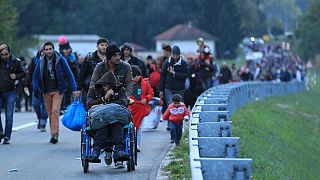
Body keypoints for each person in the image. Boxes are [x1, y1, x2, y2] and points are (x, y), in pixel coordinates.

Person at [89, 44, 133, 168]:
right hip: (102, 105)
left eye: (120, 55)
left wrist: (126, 98)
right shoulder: (99, 67)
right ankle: (100, 150)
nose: (119, 57)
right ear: (109, 57)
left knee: (116, 120)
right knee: (104, 120)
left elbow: (129, 85)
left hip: (119, 102)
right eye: (115, 55)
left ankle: (118, 155)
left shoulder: (126, 67)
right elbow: (93, 85)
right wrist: (101, 98)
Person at [33, 42, 81, 144]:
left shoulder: (60, 59)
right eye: (46, 49)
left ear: (53, 49)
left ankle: (54, 134)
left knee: (55, 111)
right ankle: (53, 133)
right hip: (46, 90)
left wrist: (74, 88)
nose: (49, 51)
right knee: (50, 113)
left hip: (58, 90)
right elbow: (35, 75)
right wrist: (35, 87)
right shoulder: (41, 61)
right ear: (44, 51)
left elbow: (69, 74)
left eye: (50, 49)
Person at [86, 71, 129, 165]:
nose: (107, 88)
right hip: (100, 122)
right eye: (105, 86)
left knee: (115, 122)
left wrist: (107, 104)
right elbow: (89, 103)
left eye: (109, 86)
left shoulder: (120, 90)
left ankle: (120, 149)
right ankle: (96, 151)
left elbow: (124, 103)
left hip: (116, 120)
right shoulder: (93, 90)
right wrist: (103, 99)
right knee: (103, 122)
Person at [0, 44, 26, 144]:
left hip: (10, 91)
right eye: (2, 54)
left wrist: (16, 76)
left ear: (10, 53)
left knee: (9, 115)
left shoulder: (15, 61)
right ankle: (0, 132)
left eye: (6, 54)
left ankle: (7, 136)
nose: (4, 56)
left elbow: (23, 73)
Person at [159, 45, 188, 132]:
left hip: (179, 88)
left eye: (177, 55)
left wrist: (174, 73)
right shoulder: (167, 62)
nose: (175, 57)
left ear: (179, 55)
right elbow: (162, 76)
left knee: (179, 107)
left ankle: (179, 125)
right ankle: (170, 124)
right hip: (168, 88)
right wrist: (161, 89)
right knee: (170, 105)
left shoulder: (183, 63)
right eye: (173, 55)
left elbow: (185, 75)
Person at [128, 65, 154, 152]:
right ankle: (129, 143)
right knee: (129, 127)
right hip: (130, 109)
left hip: (141, 109)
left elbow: (151, 93)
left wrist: (146, 99)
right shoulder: (127, 84)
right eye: (133, 76)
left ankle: (137, 145)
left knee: (138, 128)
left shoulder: (145, 83)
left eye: (137, 75)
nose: (136, 78)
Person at [78, 38, 109, 109]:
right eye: (102, 45)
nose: (104, 47)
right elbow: (82, 74)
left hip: (105, 90)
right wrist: (79, 89)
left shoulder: (110, 58)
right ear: (97, 46)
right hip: (89, 89)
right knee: (89, 110)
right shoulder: (90, 58)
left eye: (105, 45)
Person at [25, 49, 49, 131]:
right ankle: (40, 117)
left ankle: (43, 123)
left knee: (45, 106)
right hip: (36, 86)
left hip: (47, 87)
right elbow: (31, 73)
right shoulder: (35, 60)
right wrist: (27, 84)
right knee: (35, 104)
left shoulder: (50, 61)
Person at [60, 42, 80, 111]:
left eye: (68, 49)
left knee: (70, 96)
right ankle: (62, 108)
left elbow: (77, 71)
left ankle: (68, 108)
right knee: (63, 96)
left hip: (71, 80)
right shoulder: (60, 58)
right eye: (65, 49)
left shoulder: (72, 58)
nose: (67, 51)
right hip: (62, 80)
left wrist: (78, 82)